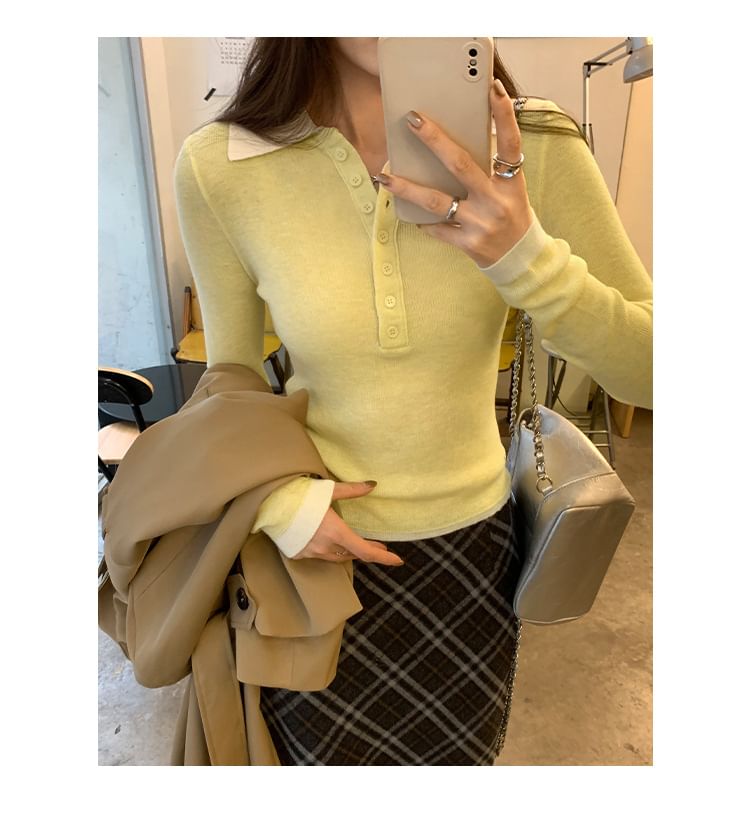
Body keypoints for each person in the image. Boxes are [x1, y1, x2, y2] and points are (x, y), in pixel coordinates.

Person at [173, 37, 653, 766]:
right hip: (308, 557)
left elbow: (652, 373)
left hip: (473, 555)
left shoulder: (533, 145)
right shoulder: (222, 164)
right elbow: (229, 381)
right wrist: (276, 505)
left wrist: (525, 258)